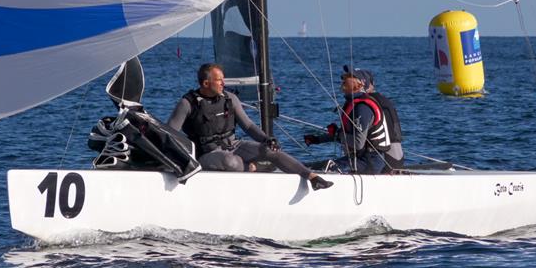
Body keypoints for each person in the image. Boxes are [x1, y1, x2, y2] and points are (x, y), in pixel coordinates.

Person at [168, 63, 333, 190]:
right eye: (219, 80)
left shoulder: (230, 98)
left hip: (234, 145)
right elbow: (170, 133)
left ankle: (311, 177)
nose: (223, 83)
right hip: (208, 153)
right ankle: (253, 166)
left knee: (270, 151)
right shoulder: (187, 103)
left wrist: (266, 139)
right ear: (205, 83)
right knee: (231, 162)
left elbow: (247, 125)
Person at [304, 65, 404, 173]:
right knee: (314, 167)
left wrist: (338, 134)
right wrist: (317, 139)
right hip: (359, 159)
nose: (344, 78)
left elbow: (357, 143)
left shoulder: (363, 108)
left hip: (369, 161)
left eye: (349, 77)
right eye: (345, 76)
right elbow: (347, 136)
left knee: (328, 168)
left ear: (360, 83)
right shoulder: (353, 104)